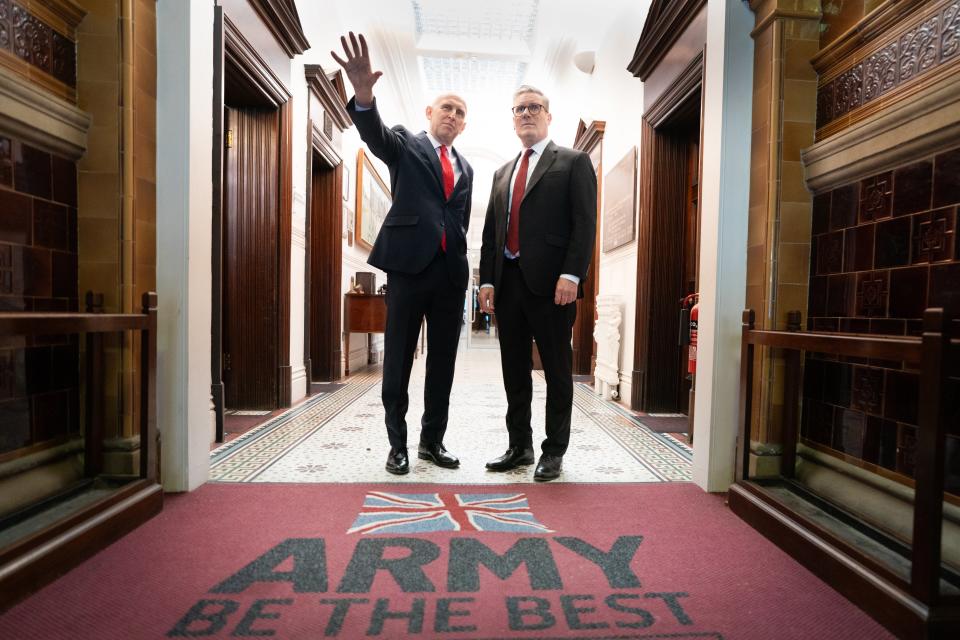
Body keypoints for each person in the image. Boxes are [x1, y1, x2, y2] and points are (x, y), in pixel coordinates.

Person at [332, 33, 473, 475]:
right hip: (409, 271)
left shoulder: (467, 167)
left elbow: (459, 220)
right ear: (429, 113)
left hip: (450, 277)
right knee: (397, 362)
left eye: (460, 112)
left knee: (443, 365)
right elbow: (375, 137)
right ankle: (398, 445)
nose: (452, 115)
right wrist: (363, 94)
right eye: (446, 107)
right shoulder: (405, 143)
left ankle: (433, 441)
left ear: (464, 125)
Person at [478, 85, 597, 481]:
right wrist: (487, 282)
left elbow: (584, 223)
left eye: (534, 107)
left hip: (553, 288)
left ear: (548, 115)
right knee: (514, 370)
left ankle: (554, 450)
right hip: (508, 286)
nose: (526, 113)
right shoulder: (501, 173)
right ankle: (520, 446)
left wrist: (572, 274)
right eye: (519, 109)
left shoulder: (573, 161)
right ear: (513, 119)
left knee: (557, 370)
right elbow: (491, 233)